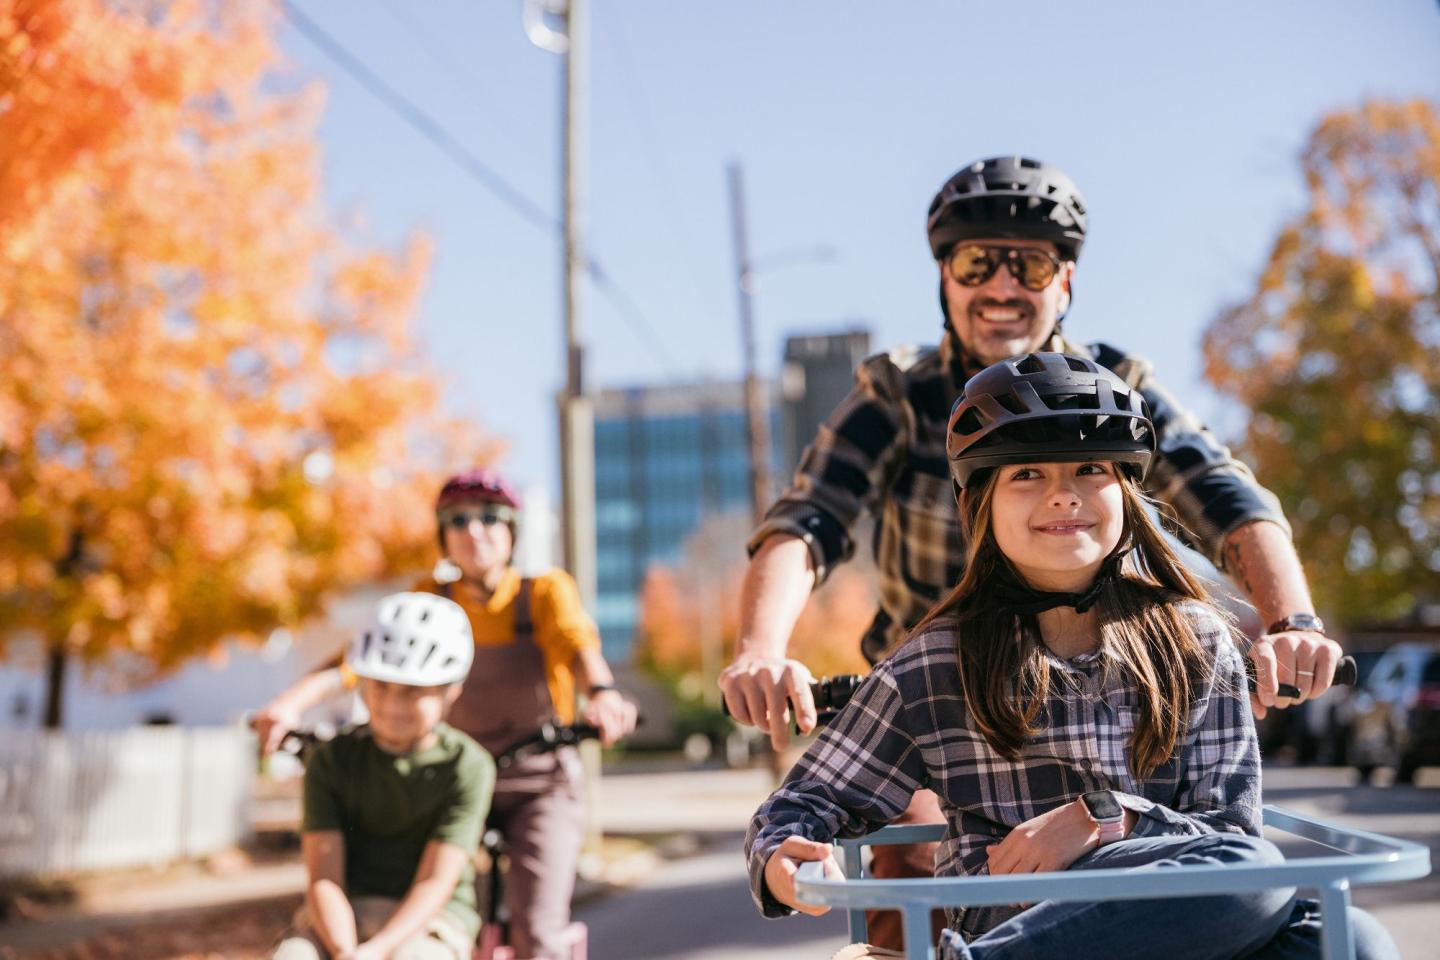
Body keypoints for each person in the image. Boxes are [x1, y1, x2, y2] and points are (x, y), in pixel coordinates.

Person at [719, 155, 1347, 949]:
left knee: (1316, 922)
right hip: (955, 702)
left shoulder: (1112, 400)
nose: (1004, 285)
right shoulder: (901, 396)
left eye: (1032, 262)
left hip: (1131, 693)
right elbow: (809, 519)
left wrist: (1292, 619)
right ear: (944, 277)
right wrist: (760, 652)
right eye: (978, 261)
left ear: (1067, 280)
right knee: (906, 882)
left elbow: (1230, 498)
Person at [745, 353, 1397, 960]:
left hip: (1179, 922)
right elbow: (801, 802)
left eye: (1092, 469)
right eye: (1027, 473)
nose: (1064, 494)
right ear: (981, 505)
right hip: (1022, 920)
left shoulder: (1196, 642)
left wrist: (1106, 819)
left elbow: (1227, 834)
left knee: (1354, 940)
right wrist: (784, 856)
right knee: (1260, 875)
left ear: (1128, 493)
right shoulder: (935, 664)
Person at [255, 467, 638, 960]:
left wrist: (602, 692)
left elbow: (578, 646)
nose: (473, 531)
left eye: (489, 518)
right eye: (457, 521)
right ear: (443, 537)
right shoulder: (429, 600)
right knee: (428, 908)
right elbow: (365, 660)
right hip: (453, 778)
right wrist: (290, 703)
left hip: (537, 783)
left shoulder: (542, 593)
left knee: (537, 930)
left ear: (512, 533)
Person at [275, 591, 493, 960]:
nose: (392, 706)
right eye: (380, 687)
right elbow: (324, 879)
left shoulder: (469, 766)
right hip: (345, 913)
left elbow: (435, 880)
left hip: (434, 920)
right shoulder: (330, 760)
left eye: (413, 692)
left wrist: (376, 952)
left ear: (450, 691)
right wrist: (346, 952)